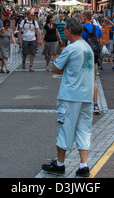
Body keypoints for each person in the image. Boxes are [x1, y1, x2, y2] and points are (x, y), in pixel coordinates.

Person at [41, 17, 94, 178]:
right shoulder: (87, 47)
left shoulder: (71, 48)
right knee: (84, 130)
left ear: (70, 31)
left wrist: (65, 69)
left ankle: (60, 163)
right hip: (86, 94)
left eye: (64, 30)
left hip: (71, 94)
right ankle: (83, 164)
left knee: (65, 127)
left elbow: (55, 68)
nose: (63, 32)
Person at [80, 11, 103, 115]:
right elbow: (100, 39)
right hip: (95, 56)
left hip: (84, 56)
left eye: (81, 16)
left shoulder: (81, 28)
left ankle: (84, 105)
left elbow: (80, 42)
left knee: (83, 80)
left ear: (85, 17)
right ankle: (95, 105)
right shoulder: (96, 28)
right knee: (93, 81)